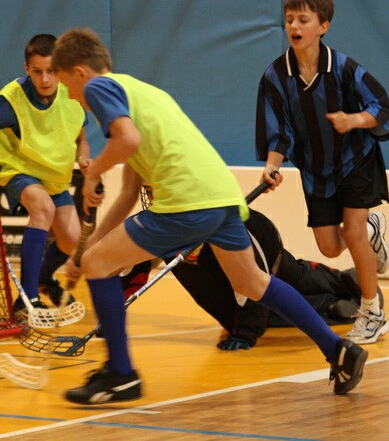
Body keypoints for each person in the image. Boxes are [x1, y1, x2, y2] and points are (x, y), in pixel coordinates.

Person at [51, 27, 367, 405]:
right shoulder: (142, 94)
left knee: (98, 265)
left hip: (186, 202)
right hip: (220, 197)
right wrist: (84, 251)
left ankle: (120, 375)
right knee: (253, 282)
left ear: (80, 72)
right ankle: (338, 350)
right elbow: (126, 197)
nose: (70, 96)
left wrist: (93, 172)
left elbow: (127, 140)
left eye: (66, 85)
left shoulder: (100, 88)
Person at [256, 0, 389, 345]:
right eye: (289, 20)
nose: (294, 26)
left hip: (355, 159)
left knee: (354, 233)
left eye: (303, 20)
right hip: (316, 171)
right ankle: (373, 230)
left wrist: (354, 120)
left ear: (323, 26)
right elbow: (278, 132)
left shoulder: (344, 68)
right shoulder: (274, 76)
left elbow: (382, 106)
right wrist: (272, 165)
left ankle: (372, 312)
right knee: (330, 246)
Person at [0, 34, 90, 320]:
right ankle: (26, 299)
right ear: (26, 68)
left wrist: (83, 158)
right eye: (37, 71)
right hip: (17, 166)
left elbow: (81, 137)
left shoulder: (72, 93)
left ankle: (43, 279)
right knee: (43, 209)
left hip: (52, 172)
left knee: (71, 239)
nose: (45, 79)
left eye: (51, 71)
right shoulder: (12, 101)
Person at [121, 208, 383, 350]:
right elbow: (135, 267)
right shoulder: (160, 226)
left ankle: (345, 281)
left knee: (293, 278)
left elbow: (252, 278)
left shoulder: (210, 217)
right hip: (218, 267)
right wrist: (114, 309)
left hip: (259, 241)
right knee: (254, 315)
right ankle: (331, 307)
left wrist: (247, 334)